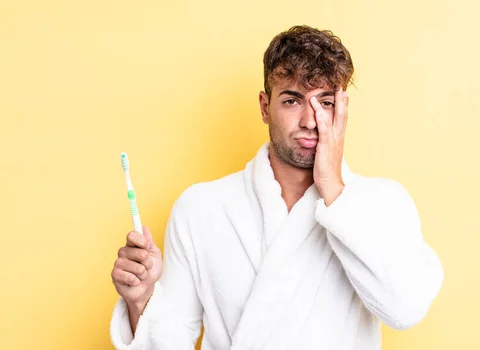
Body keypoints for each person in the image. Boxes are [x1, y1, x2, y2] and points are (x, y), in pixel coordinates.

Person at [109, 25, 444, 350]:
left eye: (325, 102)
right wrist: (140, 302)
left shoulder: (383, 204)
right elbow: (171, 341)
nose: (311, 121)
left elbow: (405, 309)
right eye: (292, 101)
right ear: (264, 107)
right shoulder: (201, 208)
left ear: (342, 110)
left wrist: (333, 190)